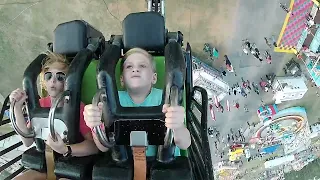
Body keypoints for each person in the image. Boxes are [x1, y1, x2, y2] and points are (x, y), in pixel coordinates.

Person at [84, 48, 191, 156]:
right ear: (122, 80)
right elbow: (103, 148)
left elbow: (185, 144)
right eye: (129, 66)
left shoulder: (167, 98)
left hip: (164, 165)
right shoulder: (111, 99)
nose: (135, 69)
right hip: (125, 166)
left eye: (142, 66)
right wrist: (95, 125)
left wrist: (178, 127)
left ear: (154, 78)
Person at [10, 52, 99, 180]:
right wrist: (17, 108)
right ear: (43, 81)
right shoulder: (40, 105)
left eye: (60, 77)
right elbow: (27, 140)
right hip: (47, 162)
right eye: (48, 76)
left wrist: (66, 149)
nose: (53, 80)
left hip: (72, 163)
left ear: (68, 82)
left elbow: (93, 146)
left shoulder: (77, 108)